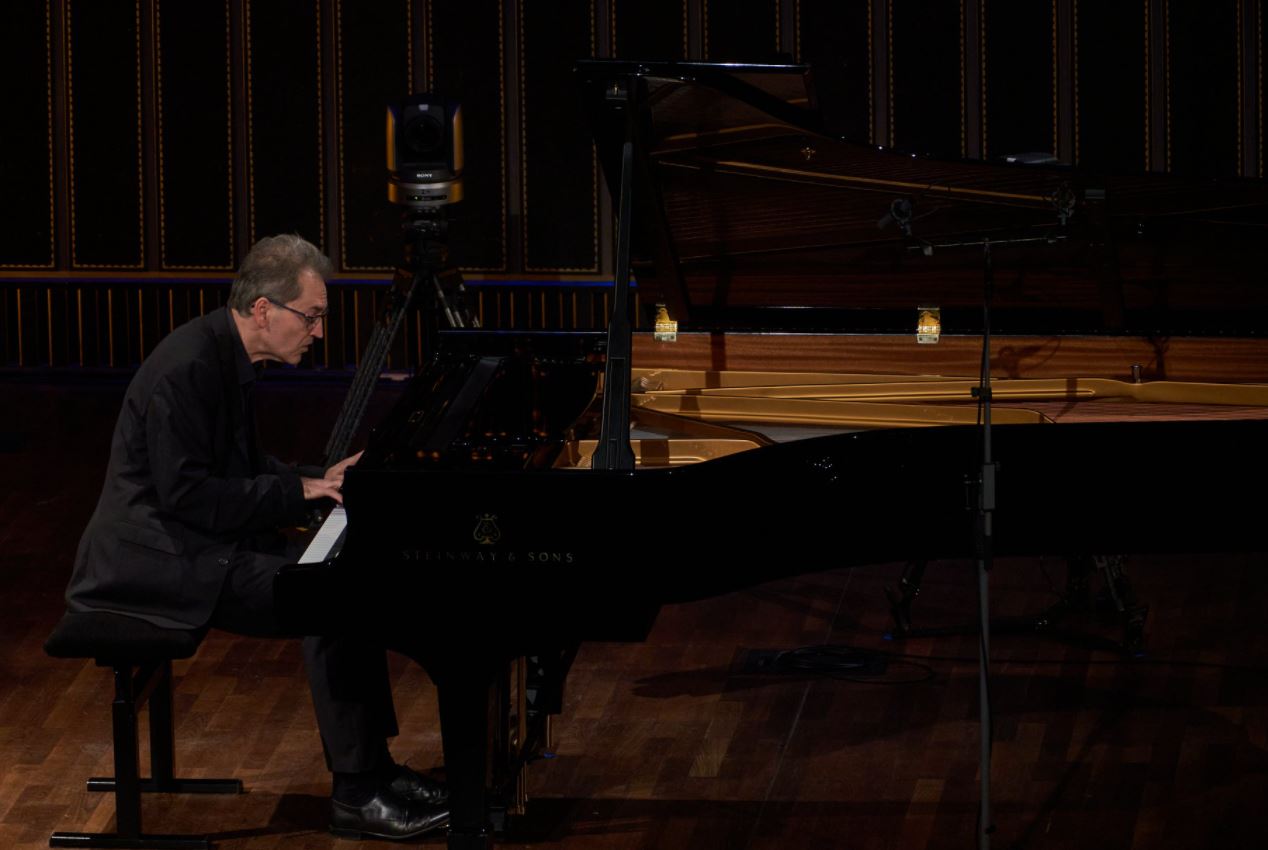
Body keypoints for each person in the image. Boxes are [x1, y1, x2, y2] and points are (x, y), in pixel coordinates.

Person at [64, 234, 447, 840]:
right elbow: (190, 497)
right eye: (311, 316)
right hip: (155, 561)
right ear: (264, 309)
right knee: (329, 598)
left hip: (194, 542)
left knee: (344, 581)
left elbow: (238, 468)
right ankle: (356, 794)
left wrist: (316, 477)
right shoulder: (189, 368)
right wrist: (299, 492)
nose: (318, 332)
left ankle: (376, 772)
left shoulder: (222, 354)